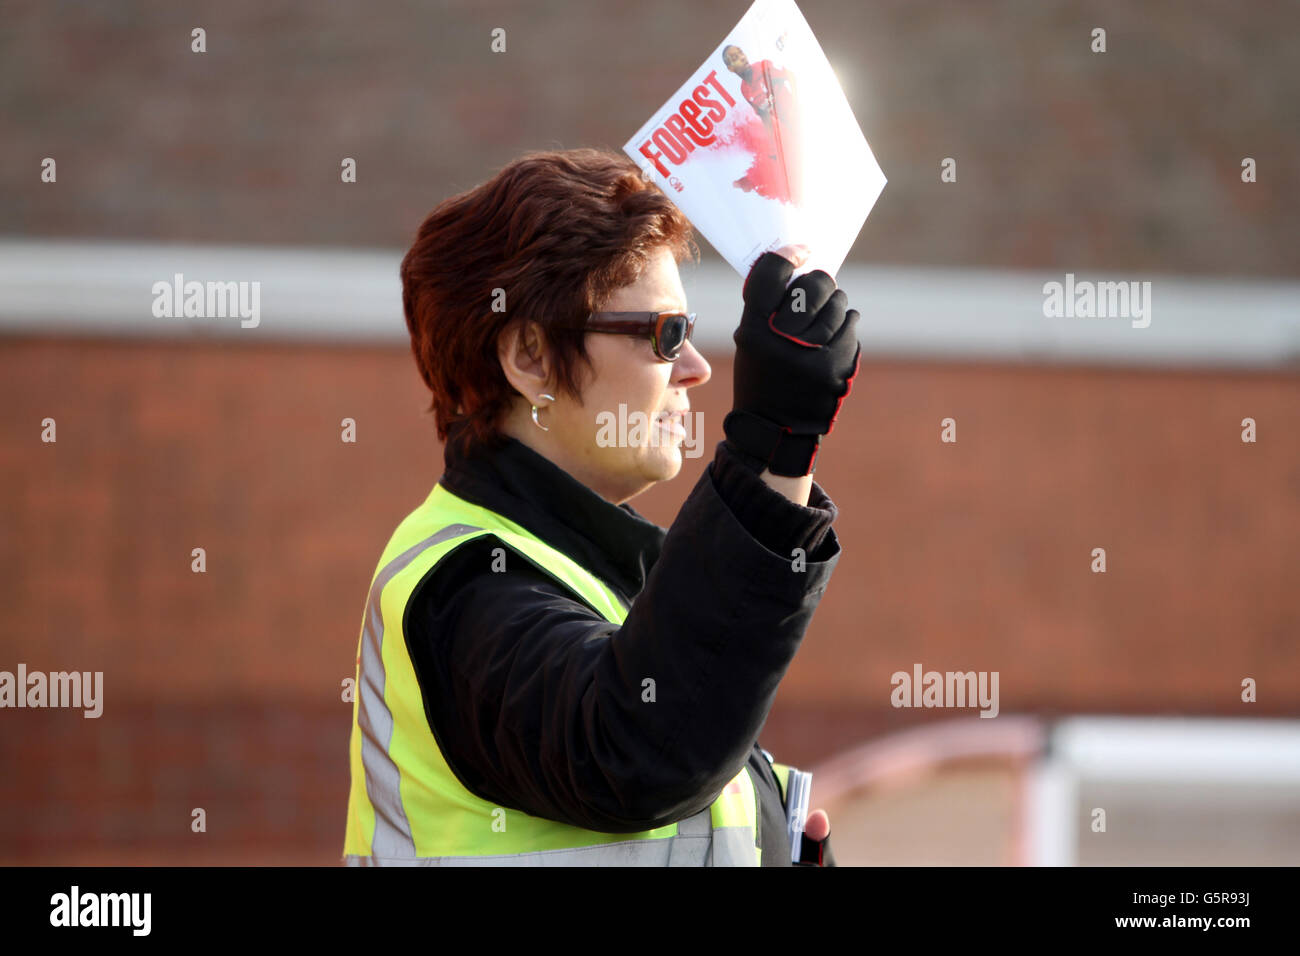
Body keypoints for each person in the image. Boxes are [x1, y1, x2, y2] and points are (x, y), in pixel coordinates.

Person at [343, 148, 860, 866]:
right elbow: (637, 747)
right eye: (664, 334)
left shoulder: (608, 586)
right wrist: (773, 444)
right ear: (530, 358)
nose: (697, 367)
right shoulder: (461, 586)